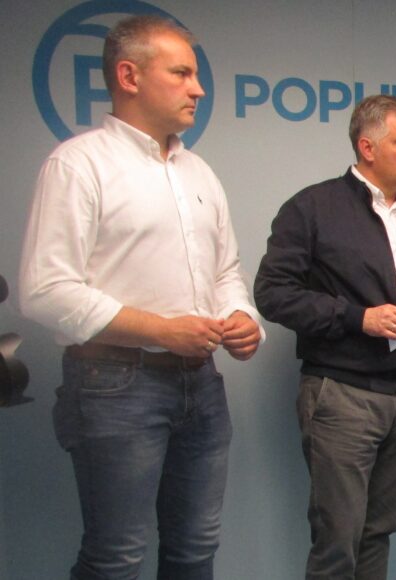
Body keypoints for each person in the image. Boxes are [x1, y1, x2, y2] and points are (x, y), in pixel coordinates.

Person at [18, 15, 263, 579]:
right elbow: (45, 289)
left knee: (196, 549)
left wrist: (241, 316)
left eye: (195, 75)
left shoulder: (198, 172)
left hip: (202, 386)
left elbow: (225, 271)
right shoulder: (79, 164)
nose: (198, 89)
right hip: (114, 385)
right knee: (117, 558)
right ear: (129, 76)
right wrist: (160, 330)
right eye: (181, 74)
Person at [254, 94, 396, 580]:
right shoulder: (313, 207)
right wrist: (356, 318)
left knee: (377, 533)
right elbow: (272, 294)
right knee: (338, 540)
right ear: (368, 147)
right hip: (342, 394)